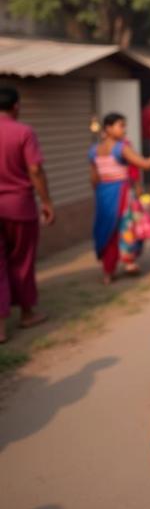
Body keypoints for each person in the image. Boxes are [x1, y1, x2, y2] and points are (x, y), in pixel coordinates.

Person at [0, 85, 54, 343]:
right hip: (19, 207)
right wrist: (46, 202)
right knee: (21, 261)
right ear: (16, 106)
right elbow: (34, 169)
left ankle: (0, 328)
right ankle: (26, 314)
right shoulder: (23, 132)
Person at [89, 113, 150, 284]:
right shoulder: (121, 148)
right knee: (127, 227)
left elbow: (94, 179)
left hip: (103, 194)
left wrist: (102, 193)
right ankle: (129, 261)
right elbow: (145, 164)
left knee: (108, 231)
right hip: (121, 193)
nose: (124, 129)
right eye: (120, 125)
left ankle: (108, 272)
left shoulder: (94, 150)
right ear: (108, 128)